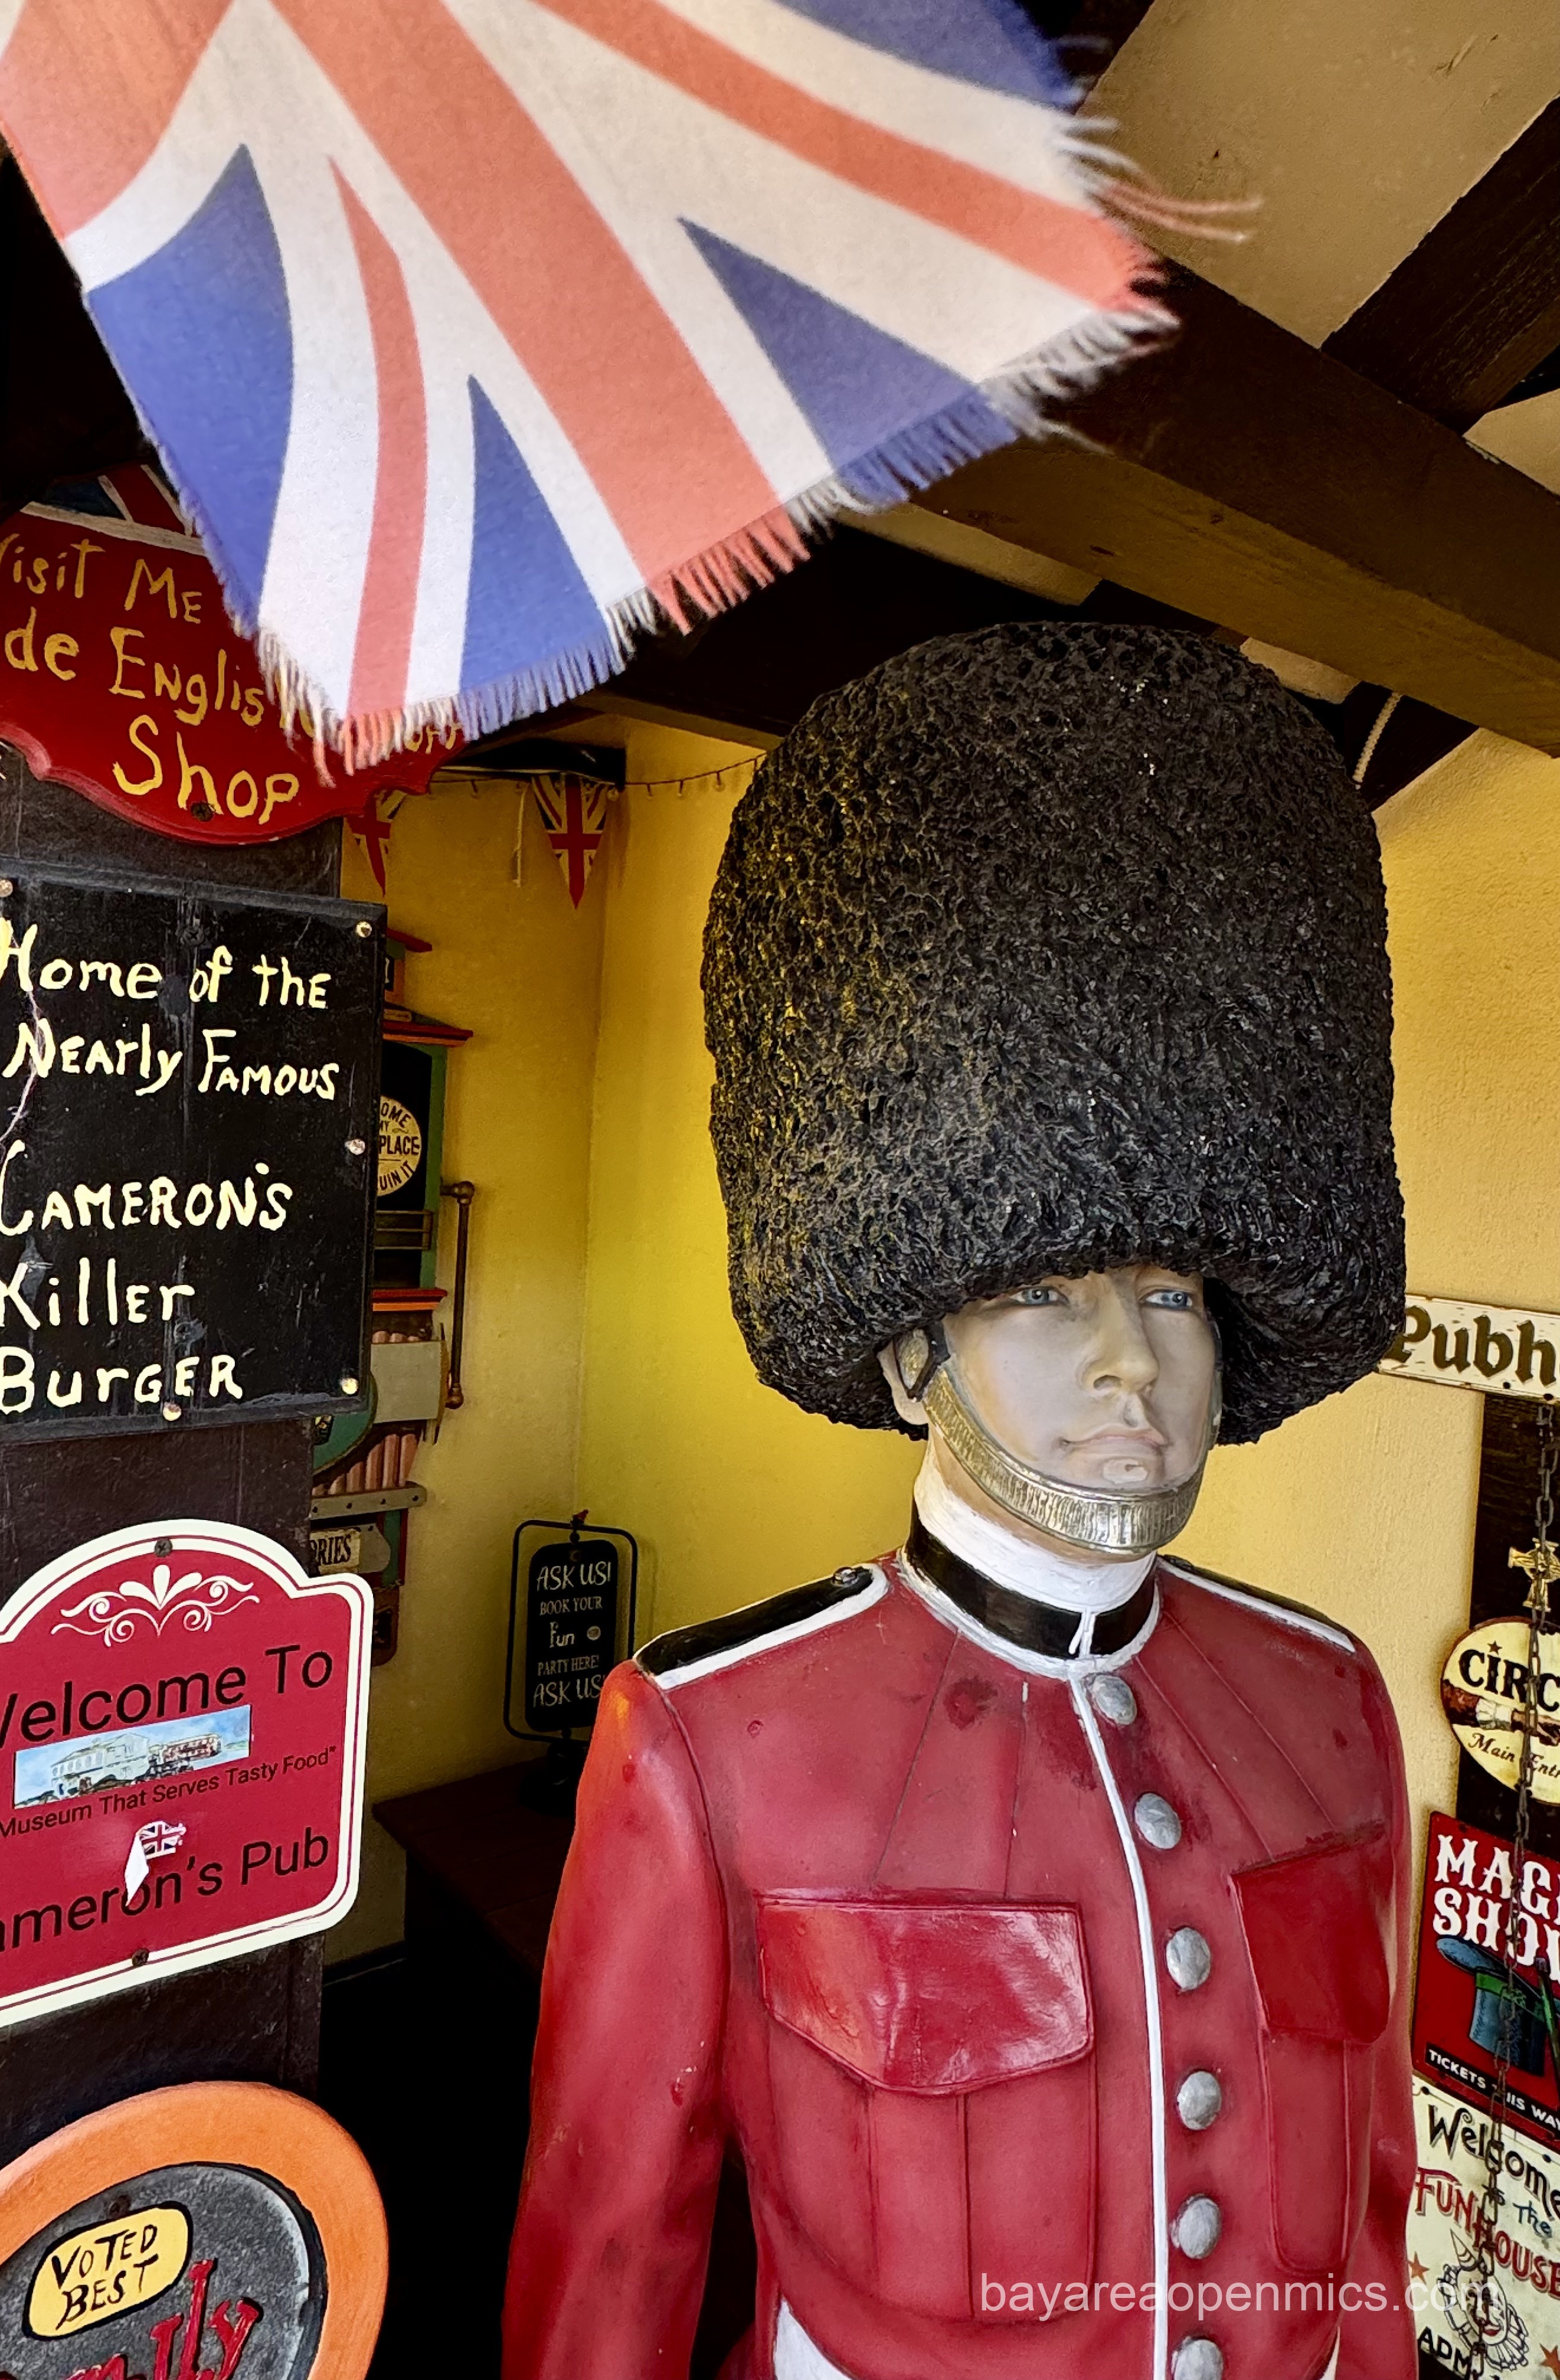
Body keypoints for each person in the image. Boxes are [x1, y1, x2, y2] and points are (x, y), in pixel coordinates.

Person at [503, 625, 1414, 2380]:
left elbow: (1368, 2216)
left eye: (1171, 1295)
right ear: (916, 1357)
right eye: (1048, 1296)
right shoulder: (710, 1742)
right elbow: (608, 2252)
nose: (1135, 1365)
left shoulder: (1326, 1705)